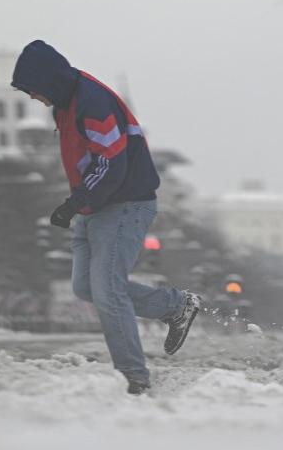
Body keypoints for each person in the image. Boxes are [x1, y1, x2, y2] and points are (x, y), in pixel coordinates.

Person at [11, 40, 202, 395]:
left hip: (124, 204)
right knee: (86, 287)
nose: (35, 99)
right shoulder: (66, 102)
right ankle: (176, 306)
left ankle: (134, 379)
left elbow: (110, 162)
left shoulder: (92, 102)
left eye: (34, 91)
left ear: (48, 81)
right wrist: (80, 204)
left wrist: (75, 202)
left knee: (109, 291)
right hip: (96, 207)